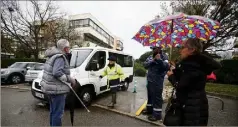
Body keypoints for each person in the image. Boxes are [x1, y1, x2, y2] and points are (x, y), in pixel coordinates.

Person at [167, 38, 221, 126]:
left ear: (192, 50)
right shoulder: (194, 64)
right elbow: (185, 79)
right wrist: (175, 70)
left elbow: (180, 86)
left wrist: (171, 76)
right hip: (195, 105)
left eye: (183, 47)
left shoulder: (193, 66)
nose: (180, 50)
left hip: (191, 108)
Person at [41, 39, 76, 126]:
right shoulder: (60, 57)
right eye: (68, 47)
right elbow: (56, 72)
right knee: (58, 113)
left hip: (51, 89)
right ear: (64, 48)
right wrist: (70, 79)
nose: (69, 49)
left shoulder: (52, 56)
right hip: (57, 90)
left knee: (53, 112)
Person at [142, 46, 169, 121]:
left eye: (156, 48)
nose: (154, 50)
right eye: (153, 49)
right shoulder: (150, 56)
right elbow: (145, 65)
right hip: (150, 80)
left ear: (161, 49)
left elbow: (166, 67)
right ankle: (149, 110)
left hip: (157, 81)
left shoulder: (165, 57)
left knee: (157, 98)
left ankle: (157, 115)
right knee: (150, 96)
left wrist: (159, 60)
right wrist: (153, 60)